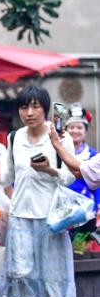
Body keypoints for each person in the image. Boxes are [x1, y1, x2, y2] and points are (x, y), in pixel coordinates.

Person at [0, 87, 76, 297]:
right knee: (17, 274)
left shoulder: (60, 137)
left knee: (53, 274)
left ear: (45, 108)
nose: (29, 113)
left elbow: (71, 176)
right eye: (24, 107)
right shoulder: (14, 137)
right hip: (20, 215)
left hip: (52, 217)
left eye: (35, 106)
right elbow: (6, 177)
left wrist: (49, 169)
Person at [62, 104, 99, 248]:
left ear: (85, 131)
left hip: (86, 214)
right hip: (61, 211)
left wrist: (98, 206)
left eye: (79, 127)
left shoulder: (93, 155)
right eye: (71, 127)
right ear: (65, 129)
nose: (75, 131)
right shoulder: (58, 152)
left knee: (80, 251)